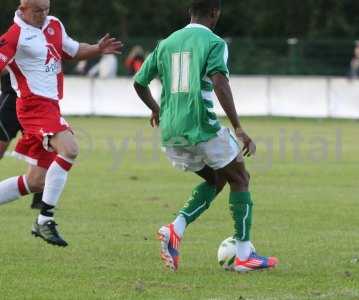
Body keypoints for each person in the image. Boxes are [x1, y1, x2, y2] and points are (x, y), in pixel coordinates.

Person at [133, 0, 278, 273]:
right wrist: (238, 127)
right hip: (201, 126)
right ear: (215, 12)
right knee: (240, 178)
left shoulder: (166, 43)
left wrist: (156, 110)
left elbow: (139, 82)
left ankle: (174, 229)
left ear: (190, 12)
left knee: (217, 179)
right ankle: (245, 254)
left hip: (171, 131)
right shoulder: (214, 42)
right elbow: (220, 82)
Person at [0, 0, 122, 247]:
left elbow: (75, 50)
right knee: (70, 148)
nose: (43, 15)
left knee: (35, 181)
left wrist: (98, 48)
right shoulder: (14, 35)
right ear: (22, 9)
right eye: (37, 11)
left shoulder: (53, 24)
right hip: (33, 106)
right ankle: (44, 219)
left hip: (51, 106)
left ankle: (42, 218)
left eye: (47, 9)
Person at [0, 71, 43, 209]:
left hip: (37, 104)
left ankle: (40, 201)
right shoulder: (6, 48)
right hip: (10, 102)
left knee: (44, 150)